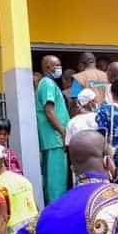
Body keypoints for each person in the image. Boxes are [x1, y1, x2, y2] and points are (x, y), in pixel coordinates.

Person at [35, 54, 70, 203]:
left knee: (53, 178)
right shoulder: (48, 83)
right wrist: (63, 132)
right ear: (48, 67)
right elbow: (49, 111)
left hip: (53, 138)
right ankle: (56, 214)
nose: (59, 68)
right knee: (56, 181)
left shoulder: (48, 84)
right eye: (57, 65)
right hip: (55, 138)